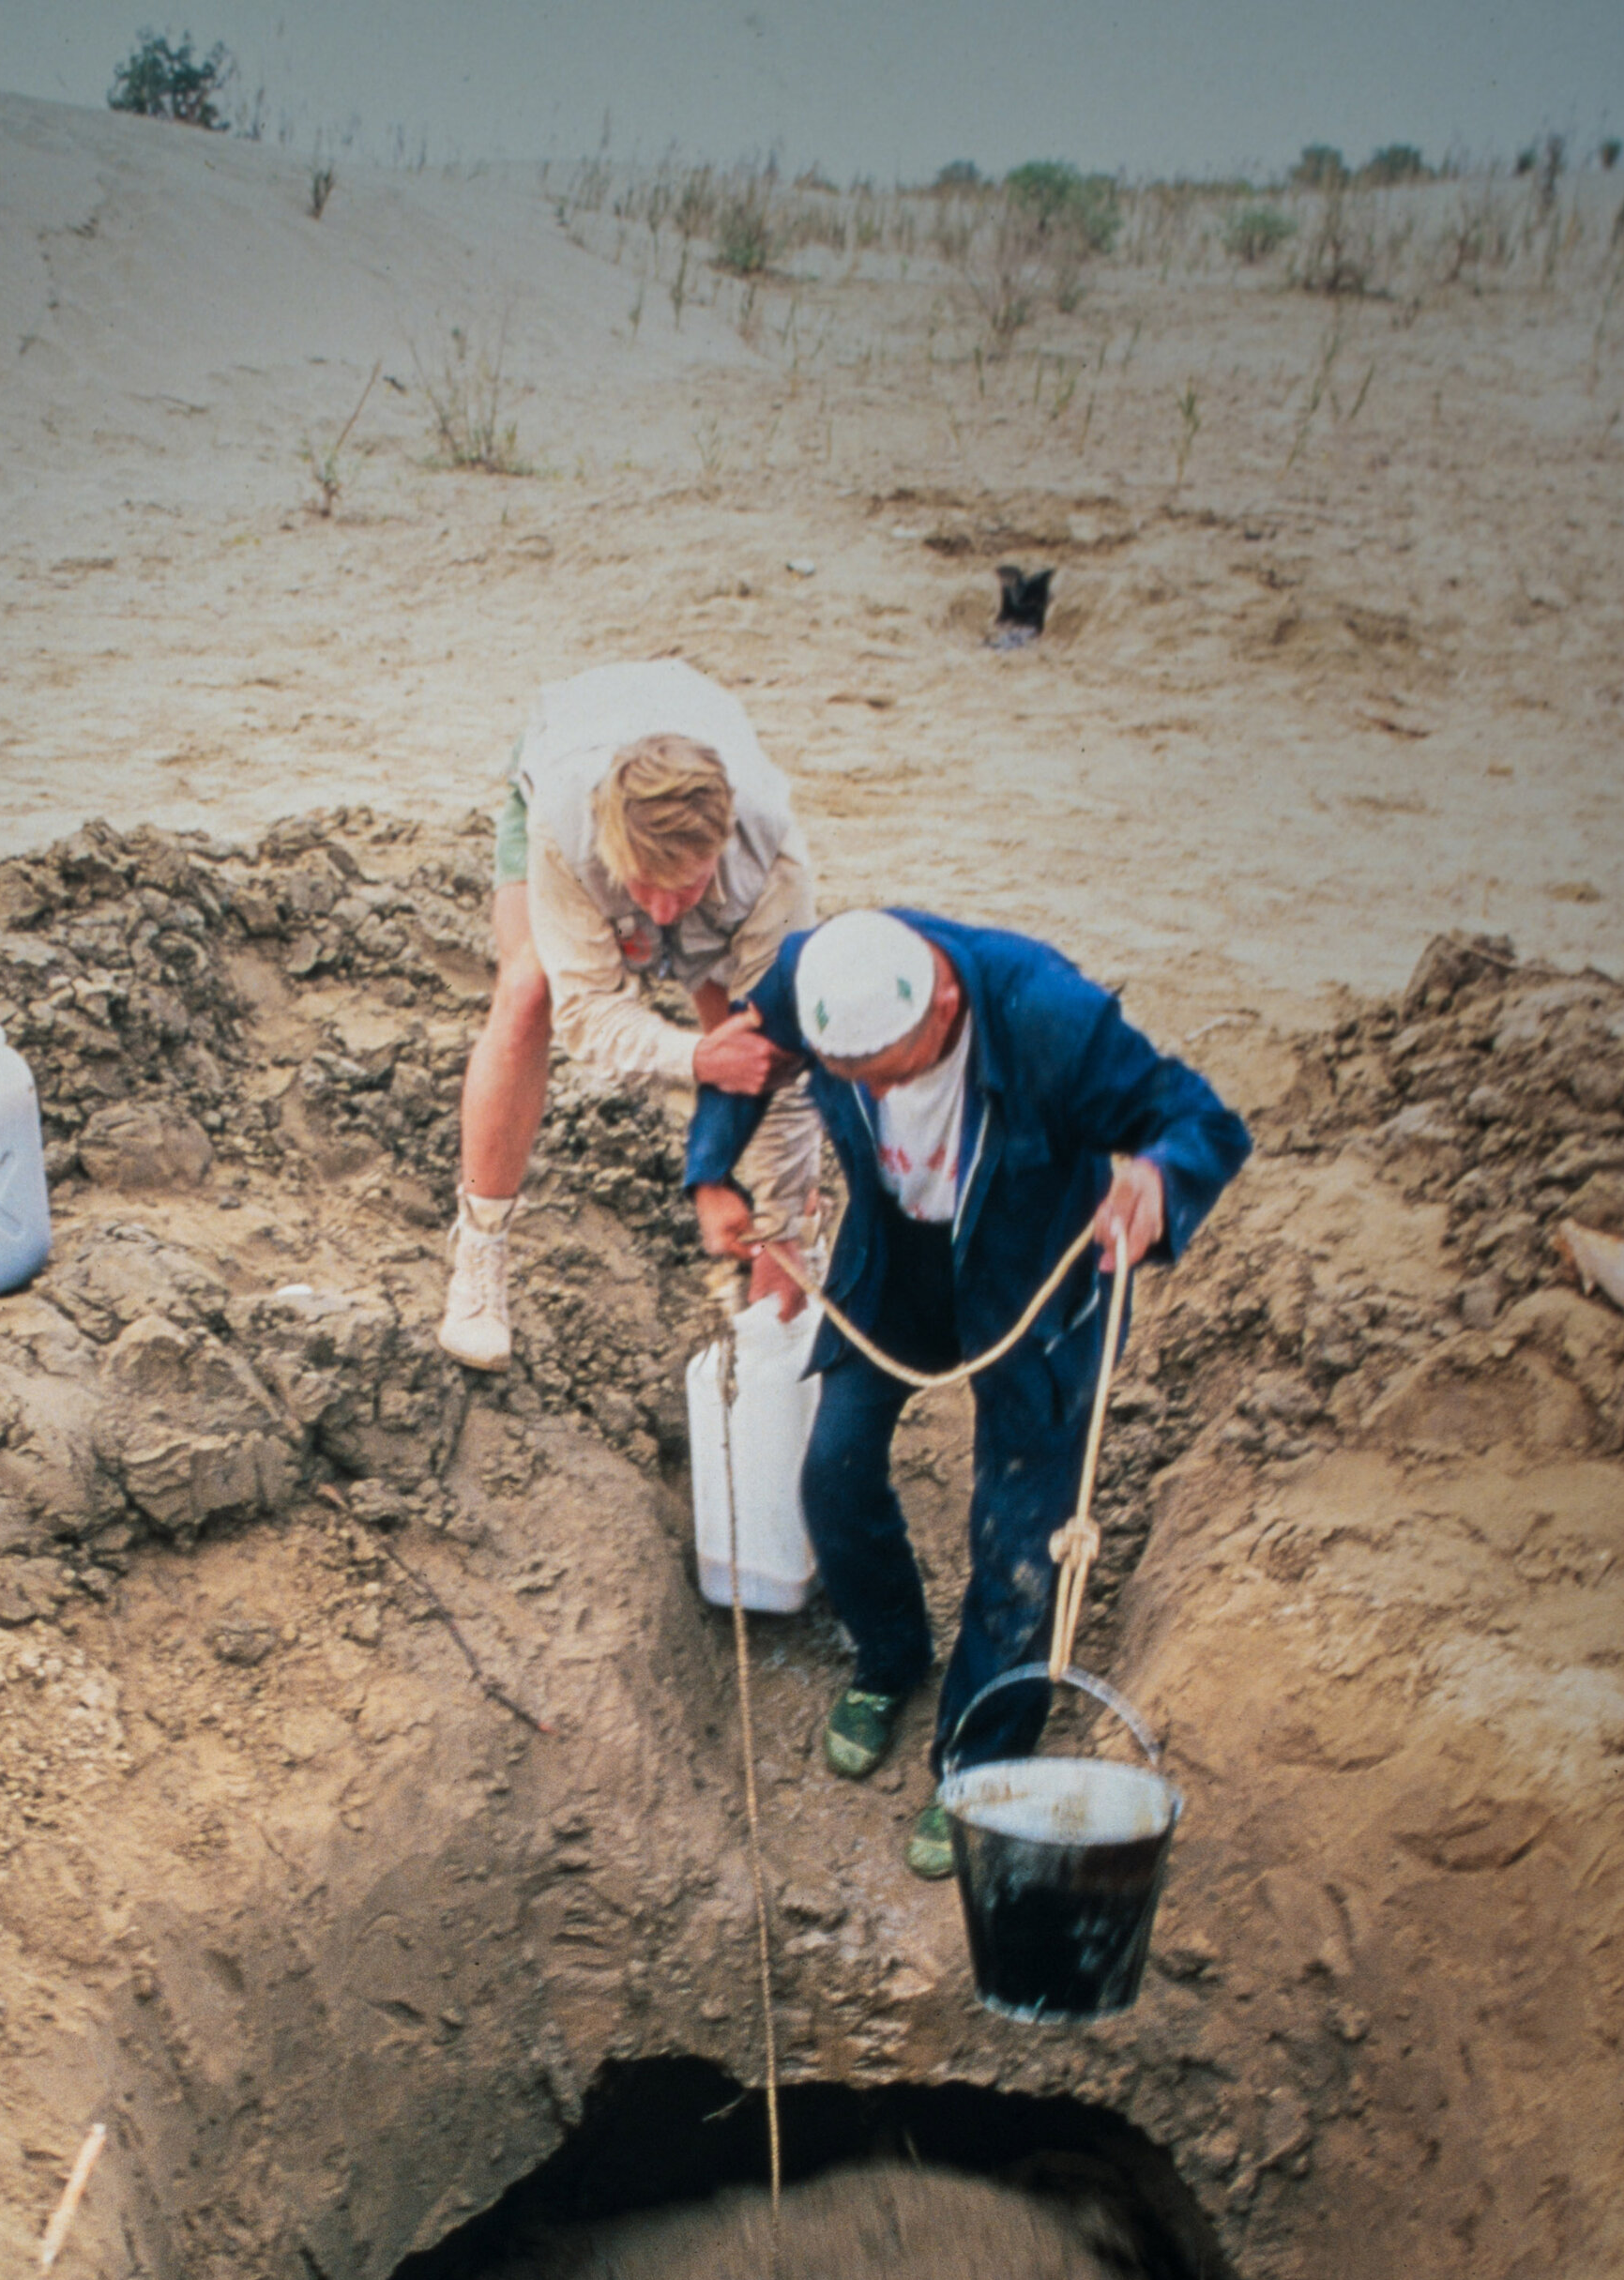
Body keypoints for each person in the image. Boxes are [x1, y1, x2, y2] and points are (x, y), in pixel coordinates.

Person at [683, 908, 1251, 1877]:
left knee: (1018, 1533)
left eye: (893, 1072)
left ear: (945, 1001)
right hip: (895, 1260)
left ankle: (977, 1754)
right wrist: (710, 1172)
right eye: (850, 1079)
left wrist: (1157, 1179)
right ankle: (891, 1656)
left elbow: (1200, 1119)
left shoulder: (1049, 1017)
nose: (875, 1092)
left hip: (1028, 1275)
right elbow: (745, 1058)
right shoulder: (812, 975)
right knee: (834, 1474)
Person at [441, 660, 821, 1371]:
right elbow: (588, 1014)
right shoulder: (567, 827)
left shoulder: (774, 859)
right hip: (569, 752)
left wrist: (785, 1227)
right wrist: (692, 1059)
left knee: (734, 1001)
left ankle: (775, 1229)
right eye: (645, 887)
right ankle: (480, 1249)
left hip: (705, 772)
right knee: (529, 989)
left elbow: (783, 1052)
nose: (663, 914)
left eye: (687, 886)